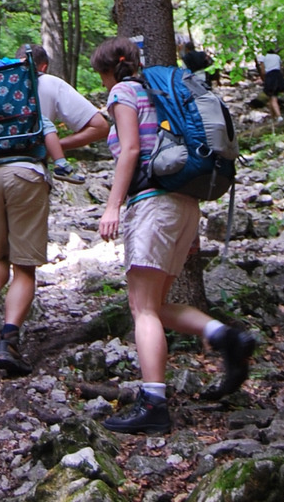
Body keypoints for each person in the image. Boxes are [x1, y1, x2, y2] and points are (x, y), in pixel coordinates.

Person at [93, 35, 256, 435]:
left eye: (100, 75)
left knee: (142, 309)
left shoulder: (125, 91)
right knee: (159, 304)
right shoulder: (158, 91)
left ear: (110, 68)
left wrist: (112, 206)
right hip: (184, 204)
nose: (102, 84)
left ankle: (154, 403)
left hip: (152, 204)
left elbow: (131, 150)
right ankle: (227, 336)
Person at [0, 43, 109, 378]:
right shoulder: (44, 82)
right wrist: (54, 149)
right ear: (38, 66)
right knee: (25, 266)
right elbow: (99, 126)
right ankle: (9, 341)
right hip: (27, 172)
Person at [254, 47, 284, 124]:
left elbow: (263, 70)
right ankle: (273, 117)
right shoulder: (277, 57)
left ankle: (279, 116)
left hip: (270, 77)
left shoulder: (263, 57)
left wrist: (264, 79)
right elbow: (280, 67)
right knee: (272, 98)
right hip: (278, 76)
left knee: (273, 98)